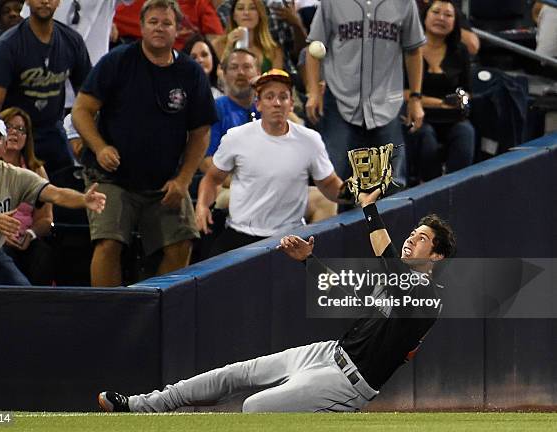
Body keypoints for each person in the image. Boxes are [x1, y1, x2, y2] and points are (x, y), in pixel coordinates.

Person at [98, 187, 456, 413]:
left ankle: (333, 416)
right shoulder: (394, 281)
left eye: (422, 238)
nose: (412, 239)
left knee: (256, 409)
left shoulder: (428, 299)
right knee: (236, 374)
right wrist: (309, 262)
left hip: (349, 383)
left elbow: (390, 263)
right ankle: (144, 406)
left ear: (437, 257)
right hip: (329, 353)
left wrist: (369, 208)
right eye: (412, 233)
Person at [72, 0, 218, 287]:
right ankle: (110, 312)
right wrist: (100, 147)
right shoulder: (118, 61)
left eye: (166, 23)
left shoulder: (190, 73)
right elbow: (81, 110)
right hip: (110, 177)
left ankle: (154, 306)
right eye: (153, 22)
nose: (159, 28)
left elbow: (201, 133)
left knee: (182, 243)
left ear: (178, 30)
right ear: (141, 27)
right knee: (108, 243)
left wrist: (183, 179)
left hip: (164, 180)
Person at [195, 69, 343, 256]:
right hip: (240, 234)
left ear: (291, 104)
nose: (276, 103)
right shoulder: (236, 138)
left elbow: (329, 183)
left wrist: (356, 194)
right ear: (258, 104)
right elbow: (212, 178)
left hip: (290, 237)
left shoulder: (310, 140)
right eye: (269, 97)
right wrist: (202, 205)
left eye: (283, 97)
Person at [0, 113, 106, 286]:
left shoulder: (16, 176)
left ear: (5, 144)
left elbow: (56, 193)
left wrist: (83, 200)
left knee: (24, 294)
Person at [305, 0, 426, 189]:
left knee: (392, 187)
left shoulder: (405, 3)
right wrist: (313, 92)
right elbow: (314, 48)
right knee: (334, 183)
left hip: (387, 102)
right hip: (340, 98)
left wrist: (416, 98)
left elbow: (414, 50)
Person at [0, 0, 92, 177]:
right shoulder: (8, 45)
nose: (44, 1)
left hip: (52, 131)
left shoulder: (71, 41)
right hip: (13, 135)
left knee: (69, 187)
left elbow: (88, 97)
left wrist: (83, 137)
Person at [405, 0, 475, 183]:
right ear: (425, 17)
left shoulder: (459, 51)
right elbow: (403, 93)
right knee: (426, 137)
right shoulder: (410, 51)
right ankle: (431, 191)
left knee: (466, 132)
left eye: (448, 15)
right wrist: (441, 103)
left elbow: (467, 91)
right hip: (418, 117)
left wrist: (461, 99)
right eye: (436, 12)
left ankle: (458, 187)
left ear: (455, 22)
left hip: (452, 118)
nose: (441, 18)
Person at [0, 107, 57, 285]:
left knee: (42, 254)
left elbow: (46, 219)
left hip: (25, 238)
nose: (15, 133)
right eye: (9, 127)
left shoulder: (36, 170)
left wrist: (30, 234)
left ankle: (38, 308)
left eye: (21, 129)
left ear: (27, 137)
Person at [217, 0, 308, 73]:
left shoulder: (274, 50)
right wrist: (229, 47)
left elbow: (275, 82)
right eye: (240, 8)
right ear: (234, 16)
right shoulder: (220, 44)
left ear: (260, 15)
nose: (246, 13)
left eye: (252, 8)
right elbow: (220, 76)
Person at [182, 34, 224, 100]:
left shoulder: (224, 89)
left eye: (204, 55)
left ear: (212, 57)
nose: (200, 60)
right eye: (194, 57)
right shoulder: (180, 95)